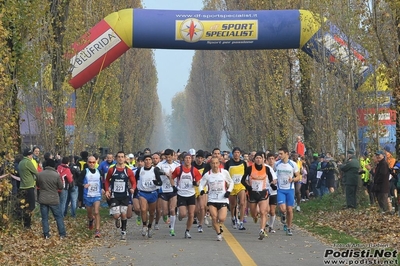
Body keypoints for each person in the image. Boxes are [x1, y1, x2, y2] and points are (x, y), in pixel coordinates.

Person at [241, 151, 274, 240]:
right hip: (252, 193)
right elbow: (242, 180)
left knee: (263, 212)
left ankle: (262, 230)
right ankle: (255, 217)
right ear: (254, 159)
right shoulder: (249, 169)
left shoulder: (266, 169)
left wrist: (273, 185)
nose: (259, 160)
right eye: (257, 158)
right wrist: (248, 187)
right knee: (254, 214)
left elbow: (271, 180)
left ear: (263, 159)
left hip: (263, 192)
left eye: (260, 158)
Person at [199, 157, 233, 241]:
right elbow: (201, 184)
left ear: (219, 164)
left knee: (221, 218)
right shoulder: (208, 174)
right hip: (212, 199)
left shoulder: (224, 172)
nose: (215, 165)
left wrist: (228, 191)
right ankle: (218, 234)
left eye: (216, 163)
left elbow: (231, 182)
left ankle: (218, 225)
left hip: (222, 199)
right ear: (210, 164)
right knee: (214, 217)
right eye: (213, 163)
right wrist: (202, 190)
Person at [105, 151, 137, 240]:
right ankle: (117, 219)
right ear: (116, 158)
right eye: (118, 157)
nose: (120, 158)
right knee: (116, 215)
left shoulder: (128, 170)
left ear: (124, 158)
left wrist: (133, 189)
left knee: (123, 214)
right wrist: (107, 190)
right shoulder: (112, 169)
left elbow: (134, 182)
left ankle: (123, 231)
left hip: (125, 195)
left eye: (122, 157)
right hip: (115, 195)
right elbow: (107, 180)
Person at [171, 153, 202, 238]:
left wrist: (196, 183)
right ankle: (180, 215)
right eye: (186, 158)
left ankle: (187, 231)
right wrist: (173, 186)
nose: (188, 160)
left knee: (191, 214)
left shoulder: (194, 170)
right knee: (183, 214)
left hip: (191, 194)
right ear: (183, 160)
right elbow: (171, 177)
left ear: (191, 160)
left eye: (189, 158)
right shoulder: (178, 169)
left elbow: (199, 180)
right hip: (181, 194)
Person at [36, 159, 66, 239]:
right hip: (53, 199)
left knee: (45, 218)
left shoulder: (40, 174)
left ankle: (46, 234)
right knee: (58, 217)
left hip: (43, 198)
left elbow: (38, 185)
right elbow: (61, 187)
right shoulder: (56, 175)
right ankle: (62, 234)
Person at [275, 147, 301, 236]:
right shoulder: (277, 164)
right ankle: (282, 214)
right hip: (280, 189)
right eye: (279, 154)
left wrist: (293, 179)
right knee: (283, 208)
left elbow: (298, 176)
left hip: (290, 189)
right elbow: (272, 173)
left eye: (281, 154)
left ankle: (289, 228)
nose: (279, 155)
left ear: (287, 154)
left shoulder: (293, 164)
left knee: (289, 210)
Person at [136, 154, 162, 238]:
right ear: (143, 162)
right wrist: (134, 188)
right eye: (146, 160)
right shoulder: (140, 170)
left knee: (151, 213)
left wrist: (156, 183)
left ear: (151, 161)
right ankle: (144, 225)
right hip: (143, 192)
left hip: (153, 193)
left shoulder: (155, 170)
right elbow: (135, 180)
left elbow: (160, 182)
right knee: (143, 209)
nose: (147, 161)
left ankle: (150, 226)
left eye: (149, 160)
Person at [78, 155, 103, 238]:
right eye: (90, 162)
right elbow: (78, 182)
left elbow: (102, 182)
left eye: (93, 162)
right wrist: (83, 184)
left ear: (96, 162)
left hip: (97, 195)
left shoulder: (99, 171)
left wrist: (103, 189)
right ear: (87, 163)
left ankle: (97, 231)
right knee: (90, 214)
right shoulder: (85, 172)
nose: (92, 164)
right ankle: (91, 220)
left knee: (96, 212)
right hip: (87, 195)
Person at [157, 149, 180, 236]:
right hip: (163, 190)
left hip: (173, 189)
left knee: (172, 209)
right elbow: (156, 170)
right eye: (166, 157)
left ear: (173, 156)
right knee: (165, 212)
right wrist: (164, 173)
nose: (168, 159)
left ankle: (172, 228)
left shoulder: (177, 165)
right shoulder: (161, 164)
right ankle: (165, 216)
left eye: (169, 157)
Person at [224, 147, 247, 230]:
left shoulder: (243, 163)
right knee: (233, 205)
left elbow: (246, 174)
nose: (236, 154)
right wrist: (226, 184)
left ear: (240, 154)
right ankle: (233, 218)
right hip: (232, 186)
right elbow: (225, 174)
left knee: (242, 203)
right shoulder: (228, 163)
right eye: (235, 152)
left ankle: (241, 222)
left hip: (241, 186)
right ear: (232, 154)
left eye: (238, 152)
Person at [18, 148, 38, 229]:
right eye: (31, 155)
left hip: (22, 186)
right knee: (31, 206)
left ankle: (25, 223)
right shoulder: (28, 162)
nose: (31, 156)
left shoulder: (20, 163)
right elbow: (36, 172)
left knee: (24, 205)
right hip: (29, 186)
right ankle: (27, 224)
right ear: (29, 155)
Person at [192, 149, 208, 232]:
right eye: (198, 157)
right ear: (195, 158)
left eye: (201, 158)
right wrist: (194, 182)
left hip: (203, 188)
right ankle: (197, 219)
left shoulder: (206, 166)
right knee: (196, 209)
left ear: (203, 159)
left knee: (203, 207)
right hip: (193, 188)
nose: (199, 159)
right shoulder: (191, 166)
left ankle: (200, 224)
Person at [265, 153, 278, 233]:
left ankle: (271, 226)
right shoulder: (265, 168)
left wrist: (273, 183)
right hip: (265, 191)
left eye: (273, 159)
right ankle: (265, 223)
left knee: (272, 211)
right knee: (266, 209)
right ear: (267, 160)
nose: (271, 160)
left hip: (274, 191)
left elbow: (276, 179)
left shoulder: (277, 167)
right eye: (269, 159)